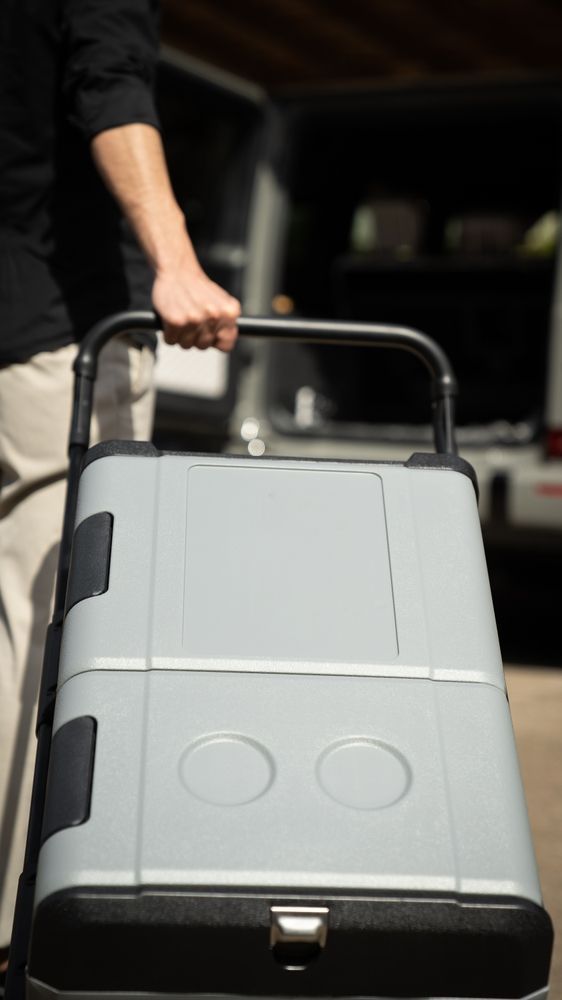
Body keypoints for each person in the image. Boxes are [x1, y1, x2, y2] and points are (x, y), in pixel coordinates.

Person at [0, 0, 240, 977]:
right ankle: (18, 935)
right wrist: (177, 264)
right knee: (48, 627)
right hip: (57, 336)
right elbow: (113, 93)